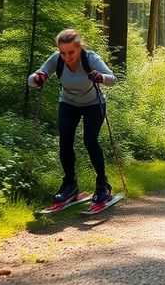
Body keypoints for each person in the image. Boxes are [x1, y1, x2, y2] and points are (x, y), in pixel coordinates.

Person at [28, 29, 118, 213]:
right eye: (63, 52)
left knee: (90, 141)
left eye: (71, 52)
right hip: (68, 103)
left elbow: (112, 79)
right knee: (65, 141)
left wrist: (100, 77)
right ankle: (70, 185)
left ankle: (103, 186)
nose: (67, 56)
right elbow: (33, 78)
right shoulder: (56, 59)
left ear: (79, 49)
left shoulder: (90, 58)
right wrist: (39, 77)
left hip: (94, 103)